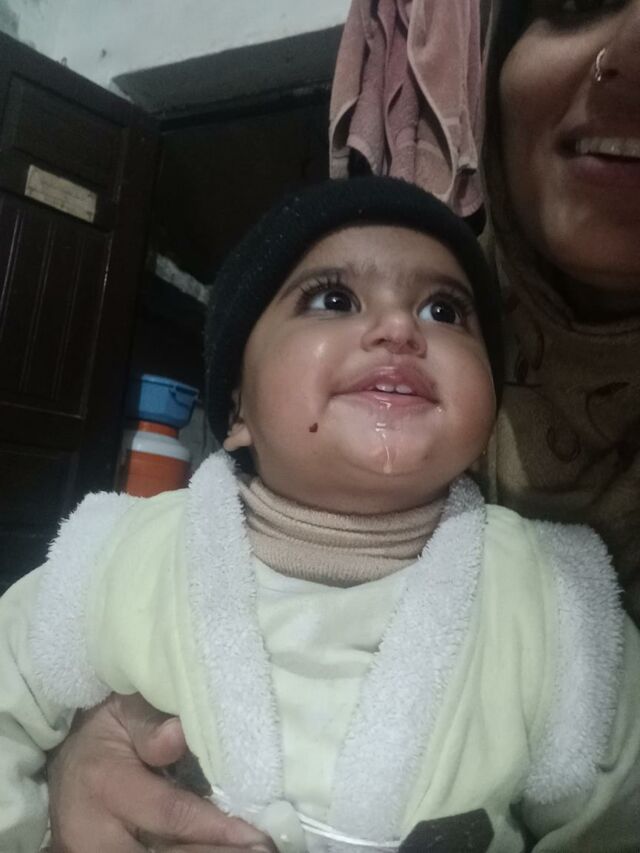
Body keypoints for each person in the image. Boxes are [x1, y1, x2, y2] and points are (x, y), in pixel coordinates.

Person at [43, 0, 640, 848]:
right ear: (236, 410)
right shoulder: (118, 559)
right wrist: (51, 789)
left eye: (444, 310)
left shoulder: (556, 609)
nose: (398, 328)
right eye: (331, 300)